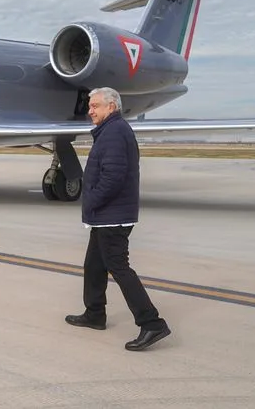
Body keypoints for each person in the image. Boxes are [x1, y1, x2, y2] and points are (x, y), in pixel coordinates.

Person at [65, 87, 172, 351]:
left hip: (112, 217)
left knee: (120, 269)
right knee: (94, 265)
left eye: (95, 106)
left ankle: (152, 323)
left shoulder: (114, 133)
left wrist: (91, 200)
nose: (90, 110)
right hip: (106, 217)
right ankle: (95, 313)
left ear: (111, 107)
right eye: (90, 106)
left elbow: (113, 178)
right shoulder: (110, 131)